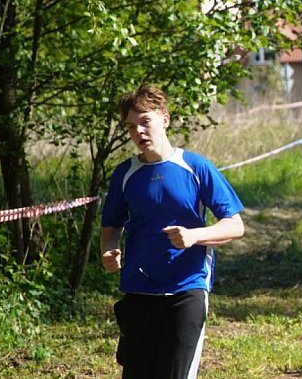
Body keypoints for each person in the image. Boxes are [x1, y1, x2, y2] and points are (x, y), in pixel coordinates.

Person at [100, 85, 245, 378]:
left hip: (187, 289)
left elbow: (235, 225)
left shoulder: (195, 167)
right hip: (138, 291)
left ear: (164, 119)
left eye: (145, 121)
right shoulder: (124, 174)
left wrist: (194, 236)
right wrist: (108, 250)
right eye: (131, 126)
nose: (138, 131)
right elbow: (111, 225)